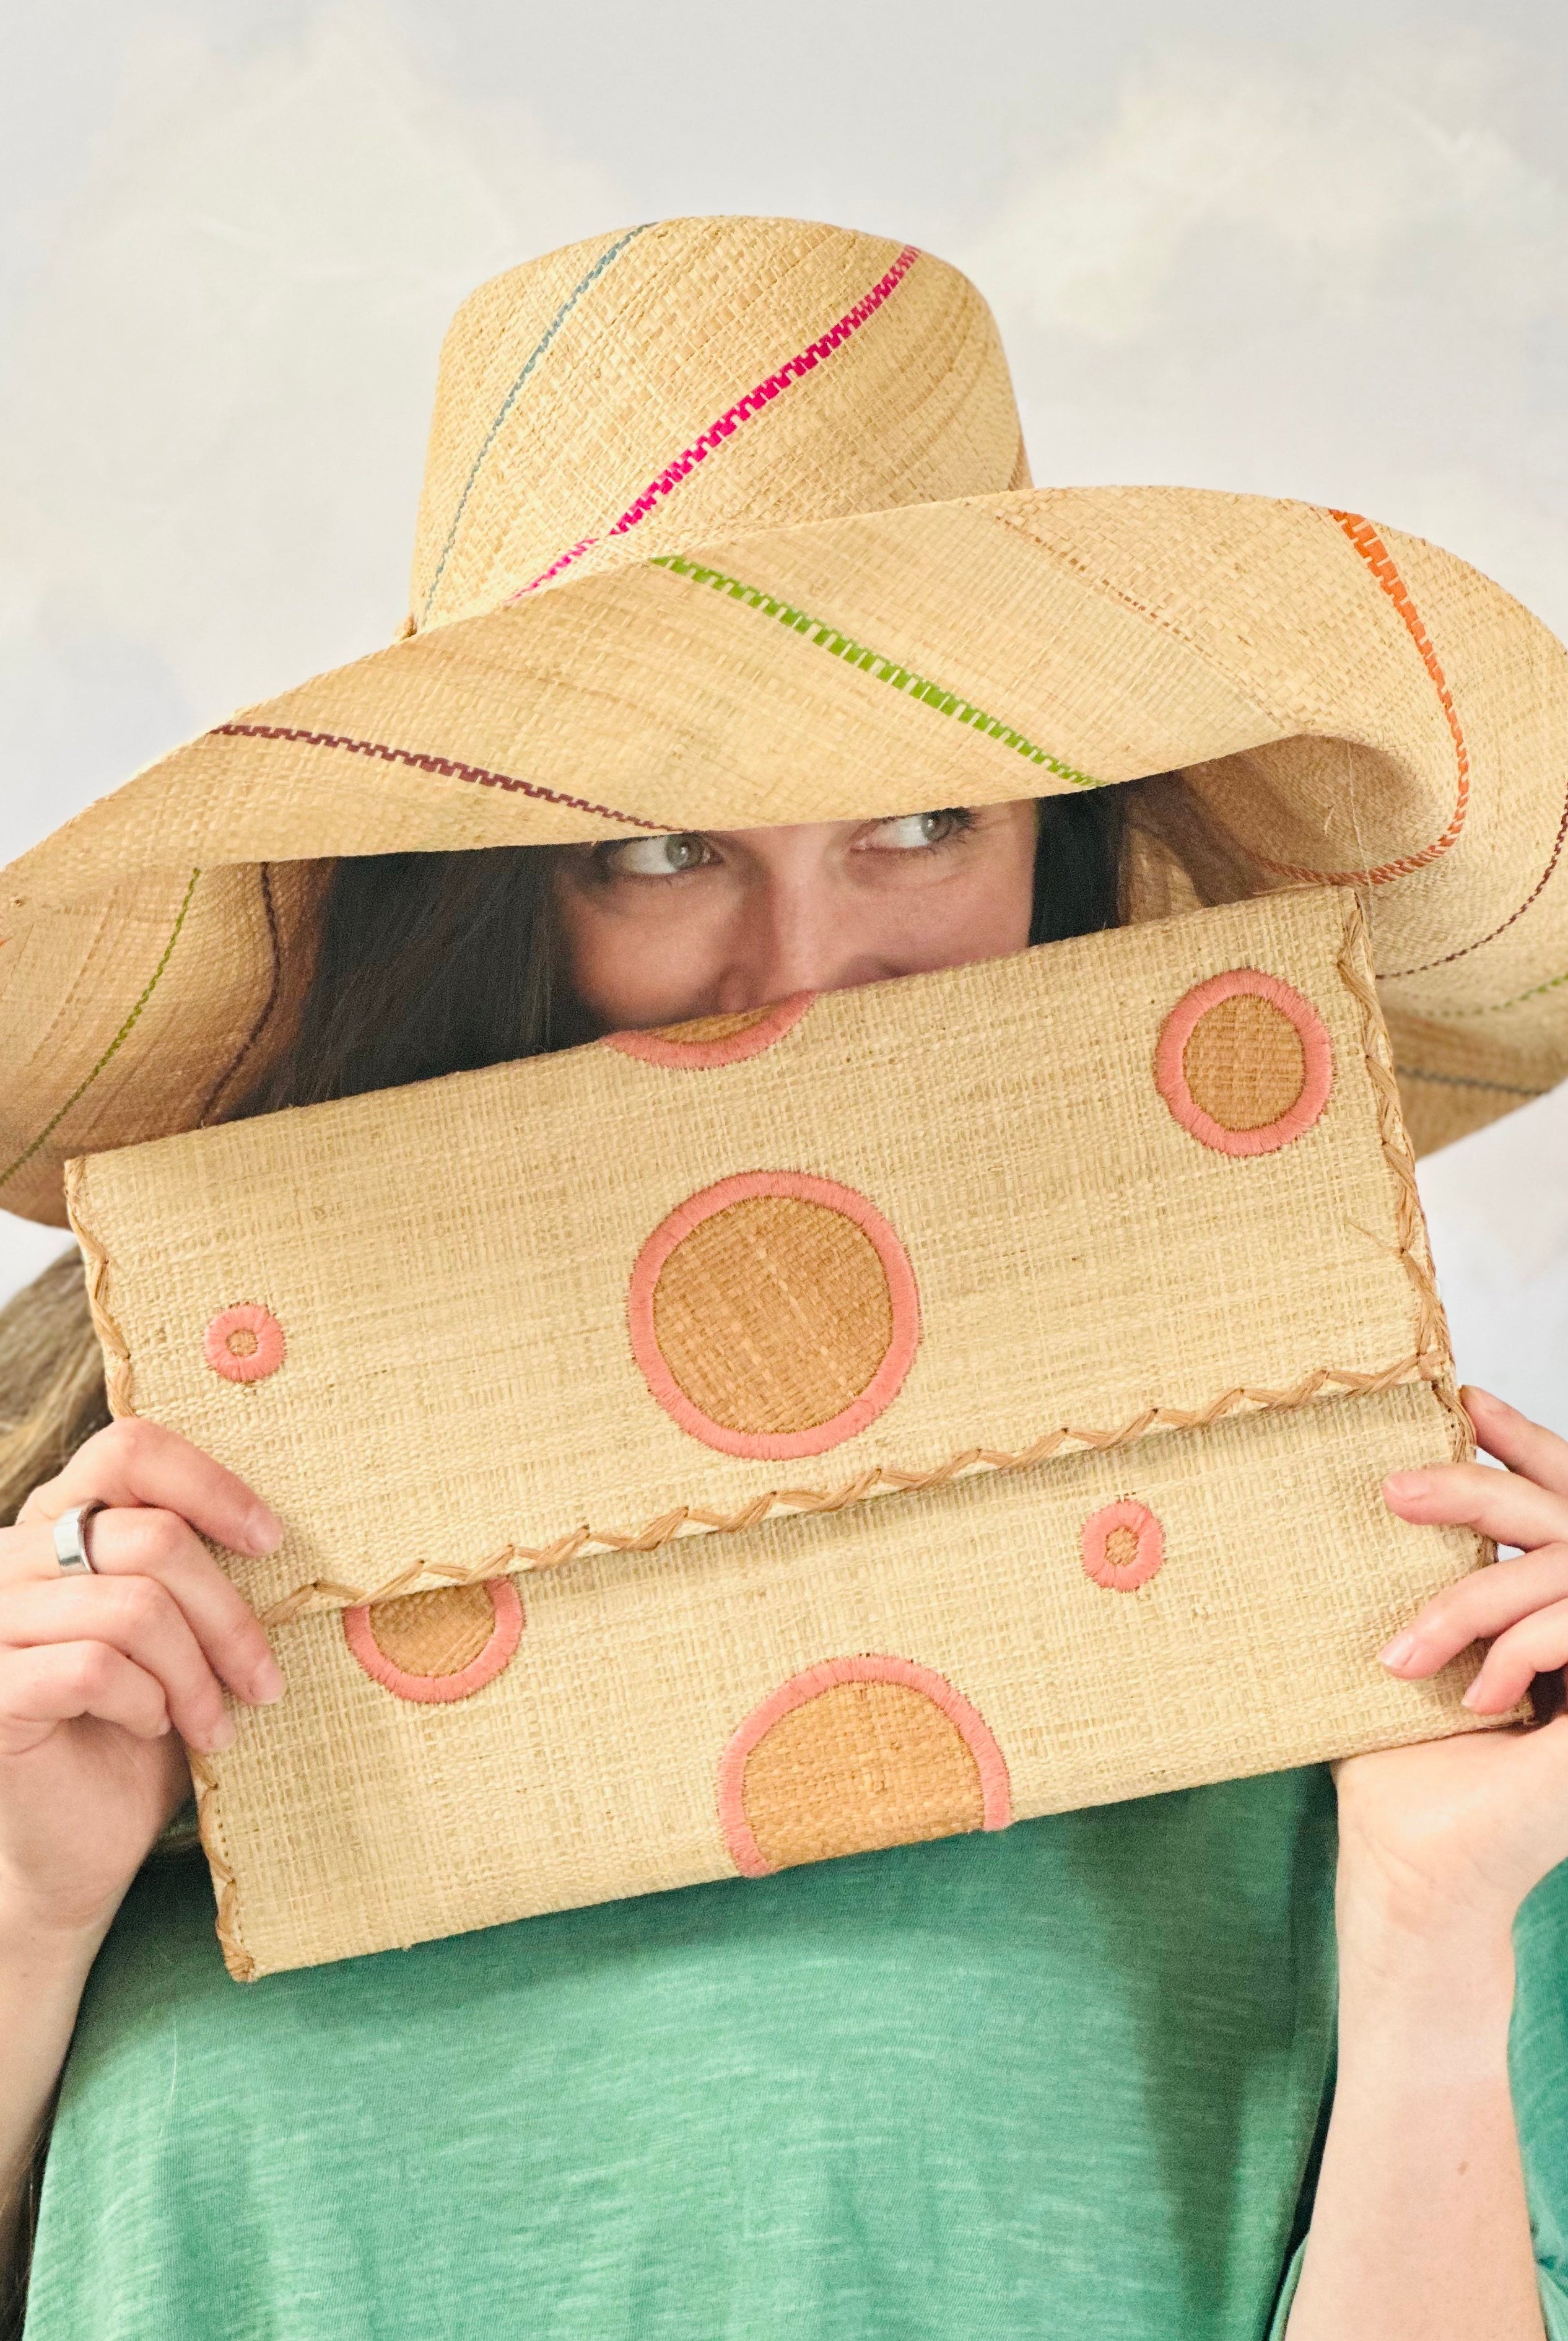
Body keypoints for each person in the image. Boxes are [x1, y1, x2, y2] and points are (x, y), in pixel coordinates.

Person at [3, 216, 1568, 2341]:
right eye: (658, 852)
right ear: (486, 912)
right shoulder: (100, 1589)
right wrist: (19, 1905)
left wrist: (1427, 1924)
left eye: (920, 823)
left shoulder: (1390, 1635)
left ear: (1065, 859)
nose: (803, 980)